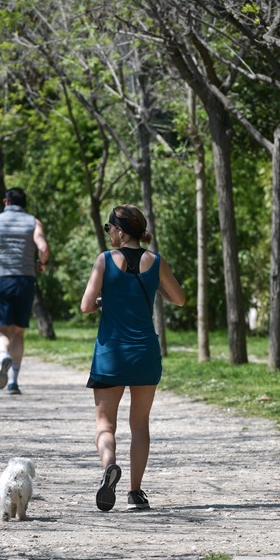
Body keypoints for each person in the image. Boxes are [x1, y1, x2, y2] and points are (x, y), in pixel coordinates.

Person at [79, 205, 185, 511]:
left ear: (121, 230)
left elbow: (86, 305)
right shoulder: (156, 261)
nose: (109, 233)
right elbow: (179, 298)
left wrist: (103, 300)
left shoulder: (104, 260)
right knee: (140, 425)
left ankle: (109, 465)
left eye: (110, 228)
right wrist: (155, 287)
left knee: (104, 425)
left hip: (110, 353)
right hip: (144, 354)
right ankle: (135, 492)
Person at [0, 188, 50, 395]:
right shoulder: (33, 222)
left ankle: (2, 358)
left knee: (2, 330)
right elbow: (43, 249)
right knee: (18, 332)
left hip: (3, 280)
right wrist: (40, 264)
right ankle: (13, 382)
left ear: (6, 201)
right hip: (25, 281)